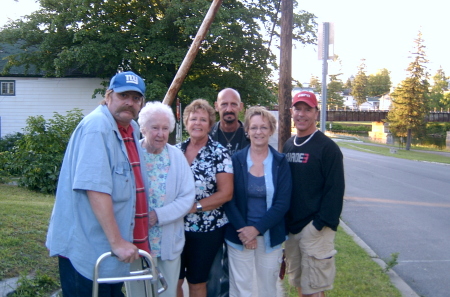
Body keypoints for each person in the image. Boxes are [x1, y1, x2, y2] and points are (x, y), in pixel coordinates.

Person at [46, 71, 149, 297]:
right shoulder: (97, 127)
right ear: (109, 95)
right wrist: (118, 242)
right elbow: (96, 189)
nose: (129, 103)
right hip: (89, 250)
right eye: (124, 96)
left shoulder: (131, 129)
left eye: (136, 98)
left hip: (110, 254)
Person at [125, 101, 196, 296]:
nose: (160, 133)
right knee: (138, 293)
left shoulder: (176, 156)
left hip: (168, 242)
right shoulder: (131, 154)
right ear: (143, 128)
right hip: (135, 240)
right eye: (155, 127)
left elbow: (187, 197)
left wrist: (158, 215)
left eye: (165, 128)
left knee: (166, 293)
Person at [282, 91, 345, 297]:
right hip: (293, 229)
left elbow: (335, 192)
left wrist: (318, 225)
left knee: (315, 289)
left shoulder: (328, 148)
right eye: (297, 109)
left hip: (315, 230)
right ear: (291, 112)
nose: (301, 114)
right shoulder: (289, 145)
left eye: (307, 109)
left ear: (316, 113)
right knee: (301, 285)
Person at [224, 106, 292, 297]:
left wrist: (256, 230)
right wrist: (245, 231)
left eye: (263, 127)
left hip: (270, 235)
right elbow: (229, 198)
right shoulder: (236, 160)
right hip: (239, 233)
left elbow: (282, 203)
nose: (258, 132)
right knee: (240, 288)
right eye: (253, 127)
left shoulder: (280, 162)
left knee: (267, 289)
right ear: (246, 130)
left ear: (271, 130)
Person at [176, 99, 234, 297]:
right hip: (174, 228)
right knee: (174, 280)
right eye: (193, 119)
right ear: (186, 123)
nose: (197, 123)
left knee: (197, 282)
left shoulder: (219, 153)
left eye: (203, 119)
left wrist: (194, 207)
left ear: (210, 124)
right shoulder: (175, 151)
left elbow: (226, 193)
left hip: (206, 230)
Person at [208, 88, 250, 297]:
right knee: (213, 272)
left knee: (237, 271)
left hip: (242, 214)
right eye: (224, 104)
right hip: (212, 214)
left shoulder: (252, 136)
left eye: (233, 104)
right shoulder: (206, 136)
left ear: (241, 107)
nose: (229, 109)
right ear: (216, 107)